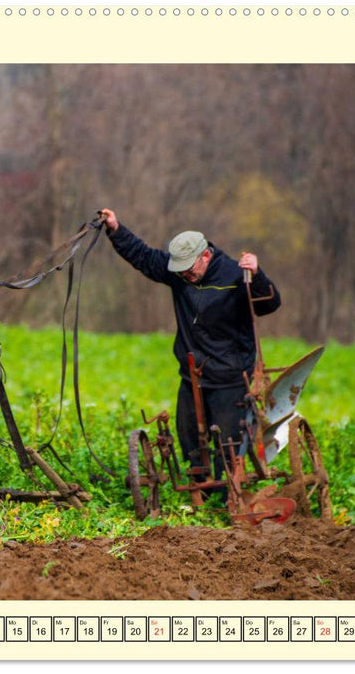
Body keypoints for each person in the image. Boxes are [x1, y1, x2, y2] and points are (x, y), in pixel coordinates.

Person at [98, 208, 281, 489]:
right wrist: (116, 229)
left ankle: (226, 495)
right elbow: (143, 256)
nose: (185, 273)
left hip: (229, 376)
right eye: (179, 268)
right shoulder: (180, 274)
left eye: (189, 267)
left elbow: (269, 304)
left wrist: (257, 274)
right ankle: (199, 491)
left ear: (205, 255)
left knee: (228, 445)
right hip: (193, 375)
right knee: (190, 439)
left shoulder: (235, 274)